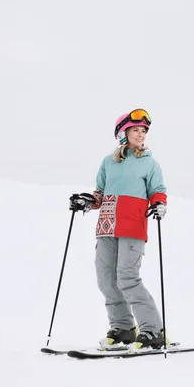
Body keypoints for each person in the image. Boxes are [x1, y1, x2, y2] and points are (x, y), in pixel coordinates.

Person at [69, 108, 168, 349]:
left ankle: (152, 331)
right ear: (122, 133)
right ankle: (123, 327)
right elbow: (100, 195)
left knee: (127, 277)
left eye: (143, 131)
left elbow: (158, 191)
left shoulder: (149, 163)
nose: (141, 134)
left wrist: (158, 204)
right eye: (135, 130)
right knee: (106, 279)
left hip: (133, 226)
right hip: (106, 226)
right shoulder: (108, 163)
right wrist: (86, 202)